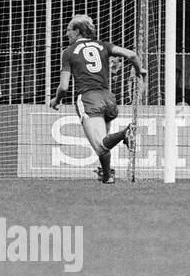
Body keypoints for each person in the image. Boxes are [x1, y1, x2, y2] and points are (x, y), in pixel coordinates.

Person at [49, 14, 148, 185]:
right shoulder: (103, 46)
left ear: (78, 31)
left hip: (89, 99)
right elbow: (131, 55)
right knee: (103, 145)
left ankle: (126, 133)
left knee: (101, 145)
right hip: (108, 99)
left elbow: (64, 86)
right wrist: (140, 71)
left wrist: (56, 100)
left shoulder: (68, 52)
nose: (66, 34)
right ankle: (107, 175)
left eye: (68, 30)